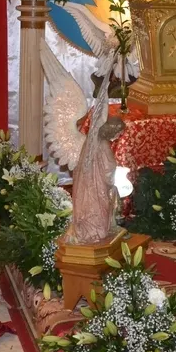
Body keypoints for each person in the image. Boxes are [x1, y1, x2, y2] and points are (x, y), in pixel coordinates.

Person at [63, 78, 126, 245]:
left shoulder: (94, 141)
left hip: (90, 184)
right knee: (99, 209)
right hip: (96, 187)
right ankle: (94, 231)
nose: (118, 137)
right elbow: (107, 169)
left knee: (98, 207)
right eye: (118, 134)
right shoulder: (103, 146)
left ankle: (95, 229)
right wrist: (113, 174)